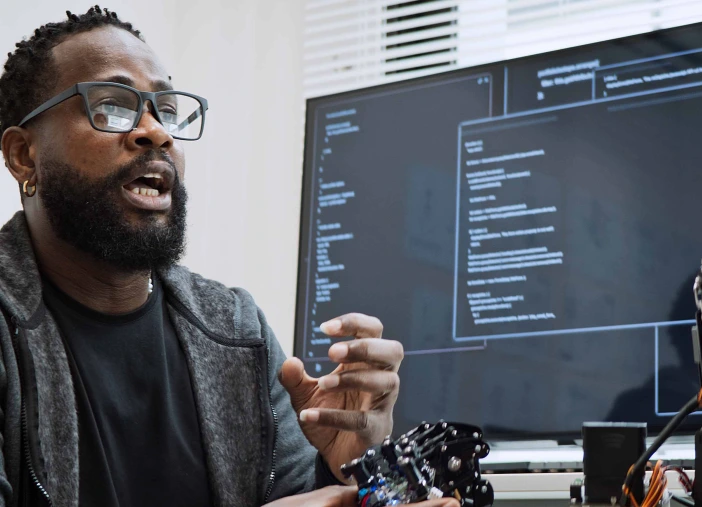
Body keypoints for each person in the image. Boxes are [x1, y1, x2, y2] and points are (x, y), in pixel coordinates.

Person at [0, 7, 459, 507]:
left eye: (166, 110)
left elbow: (301, 499)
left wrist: (340, 470)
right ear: (24, 155)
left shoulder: (238, 332)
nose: (157, 132)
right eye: (112, 106)